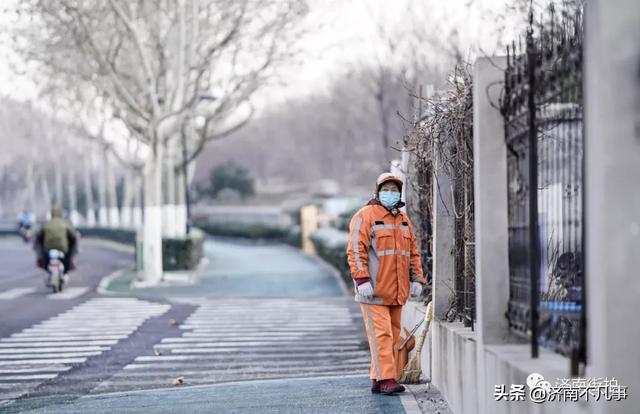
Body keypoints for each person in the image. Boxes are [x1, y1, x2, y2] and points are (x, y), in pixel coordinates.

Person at [346, 172, 428, 395]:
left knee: (390, 337)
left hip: (397, 292)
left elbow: (413, 253)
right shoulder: (365, 216)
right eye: (386, 189)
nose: (390, 193)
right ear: (377, 192)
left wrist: (417, 279)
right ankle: (387, 379)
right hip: (373, 291)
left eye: (394, 190)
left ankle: (378, 377)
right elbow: (355, 250)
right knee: (381, 336)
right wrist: (361, 279)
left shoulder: (403, 219)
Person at [34, 205, 78, 275]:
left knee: (38, 242)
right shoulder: (65, 223)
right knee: (74, 243)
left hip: (48, 249)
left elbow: (38, 236)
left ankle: (40, 260)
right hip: (63, 249)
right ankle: (71, 261)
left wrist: (39, 255)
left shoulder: (47, 224)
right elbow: (73, 236)